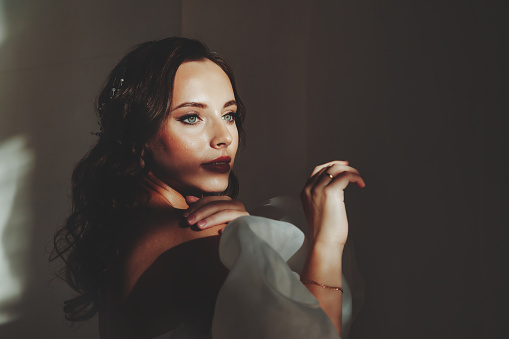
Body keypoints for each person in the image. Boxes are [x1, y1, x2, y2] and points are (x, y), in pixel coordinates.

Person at [51, 37, 365, 339]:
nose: (224, 137)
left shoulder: (134, 232)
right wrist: (326, 240)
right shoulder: (194, 235)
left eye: (229, 115)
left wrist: (241, 239)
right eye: (191, 117)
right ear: (137, 136)